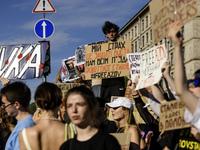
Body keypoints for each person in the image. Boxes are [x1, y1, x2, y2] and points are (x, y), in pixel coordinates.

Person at [60, 85, 121, 150]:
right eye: (69, 106)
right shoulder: (66, 147)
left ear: (92, 107)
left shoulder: (108, 142)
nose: (74, 110)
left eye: (80, 104)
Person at [18, 82, 74, 150]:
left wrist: (37, 125)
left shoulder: (24, 134)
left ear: (37, 104)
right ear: (60, 103)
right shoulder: (71, 130)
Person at [0, 81, 35, 150]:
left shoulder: (25, 128)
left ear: (16, 104)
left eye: (5, 105)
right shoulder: (24, 124)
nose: (2, 107)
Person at [101, 21, 125, 101]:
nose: (111, 34)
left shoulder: (123, 48)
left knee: (118, 104)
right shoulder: (101, 49)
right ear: (106, 34)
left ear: (116, 33)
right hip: (105, 83)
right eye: (109, 32)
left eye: (113, 32)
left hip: (118, 82)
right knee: (105, 105)